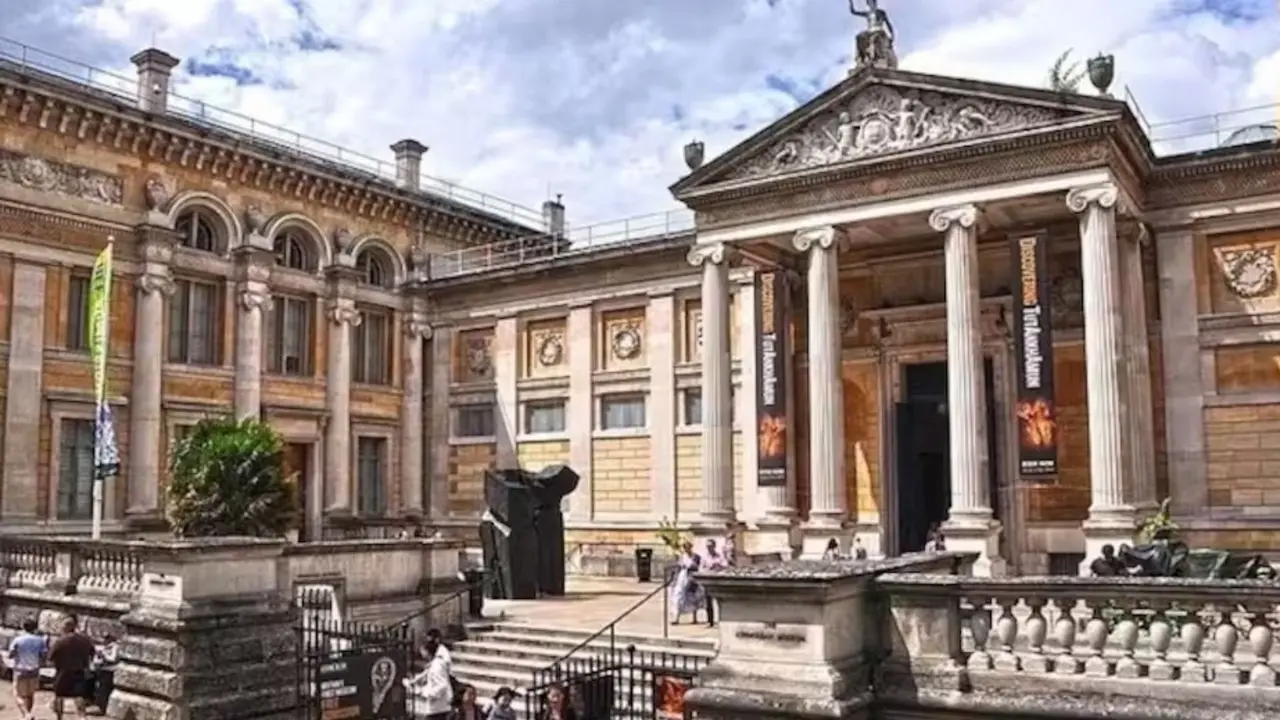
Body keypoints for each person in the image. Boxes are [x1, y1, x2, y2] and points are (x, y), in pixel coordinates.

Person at [48, 616, 95, 720]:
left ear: (67, 626)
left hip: (63, 672)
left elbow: (50, 657)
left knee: (59, 695)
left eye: (63, 625)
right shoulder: (85, 640)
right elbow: (92, 652)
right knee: (79, 696)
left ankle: (59, 717)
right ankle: (82, 717)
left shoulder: (60, 641)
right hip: (79, 671)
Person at [404, 628, 452, 720]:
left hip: (439, 707)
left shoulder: (439, 660)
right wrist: (414, 681)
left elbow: (441, 685)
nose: (421, 653)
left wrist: (423, 692)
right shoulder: (434, 663)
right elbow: (428, 671)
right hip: (435, 707)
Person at [8, 617, 47, 720]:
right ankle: (27, 714)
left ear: (23, 627)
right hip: (34, 670)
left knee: (17, 695)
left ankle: (26, 714)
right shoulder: (40, 641)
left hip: (20, 670)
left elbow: (11, 654)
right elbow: (44, 655)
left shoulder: (18, 639)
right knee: (30, 694)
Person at [668, 540, 704, 625]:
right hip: (682, 578)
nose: (686, 549)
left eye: (688, 547)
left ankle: (694, 618)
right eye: (685, 548)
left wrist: (693, 567)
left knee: (693, 597)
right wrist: (674, 579)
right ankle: (677, 618)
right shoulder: (682, 557)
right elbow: (678, 568)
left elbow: (699, 567)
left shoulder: (696, 557)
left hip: (692, 578)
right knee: (679, 597)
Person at [702, 539, 728, 628]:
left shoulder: (719, 556)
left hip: (717, 581)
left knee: (719, 601)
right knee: (708, 602)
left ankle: (722, 620)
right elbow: (700, 568)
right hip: (707, 581)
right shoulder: (704, 557)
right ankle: (710, 621)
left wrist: (718, 566)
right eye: (707, 546)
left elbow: (725, 565)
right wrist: (707, 569)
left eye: (710, 546)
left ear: (714, 546)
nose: (709, 548)